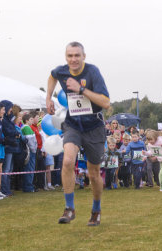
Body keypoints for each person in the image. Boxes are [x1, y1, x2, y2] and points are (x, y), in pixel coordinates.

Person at [46, 41, 110, 226]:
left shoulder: (92, 72)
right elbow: (52, 76)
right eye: (70, 55)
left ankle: (96, 211)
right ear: (66, 57)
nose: (73, 59)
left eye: (77, 55)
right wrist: (48, 97)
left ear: (84, 56)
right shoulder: (62, 71)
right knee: (67, 161)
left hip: (94, 126)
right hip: (73, 124)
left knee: (93, 173)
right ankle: (69, 208)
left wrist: (81, 89)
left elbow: (105, 103)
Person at [1, 100, 21, 196]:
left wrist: (15, 133)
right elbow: (8, 131)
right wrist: (16, 133)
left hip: (12, 146)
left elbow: (12, 129)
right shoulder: (4, 120)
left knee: (9, 169)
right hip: (8, 146)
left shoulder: (9, 119)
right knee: (6, 169)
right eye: (9, 108)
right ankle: (4, 189)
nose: (11, 110)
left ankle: (7, 188)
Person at [21, 113, 37, 193]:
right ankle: (28, 186)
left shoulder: (28, 128)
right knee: (29, 169)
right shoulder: (26, 128)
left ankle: (29, 185)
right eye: (30, 119)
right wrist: (34, 150)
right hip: (30, 152)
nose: (32, 120)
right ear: (26, 120)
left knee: (30, 169)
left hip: (32, 151)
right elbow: (30, 142)